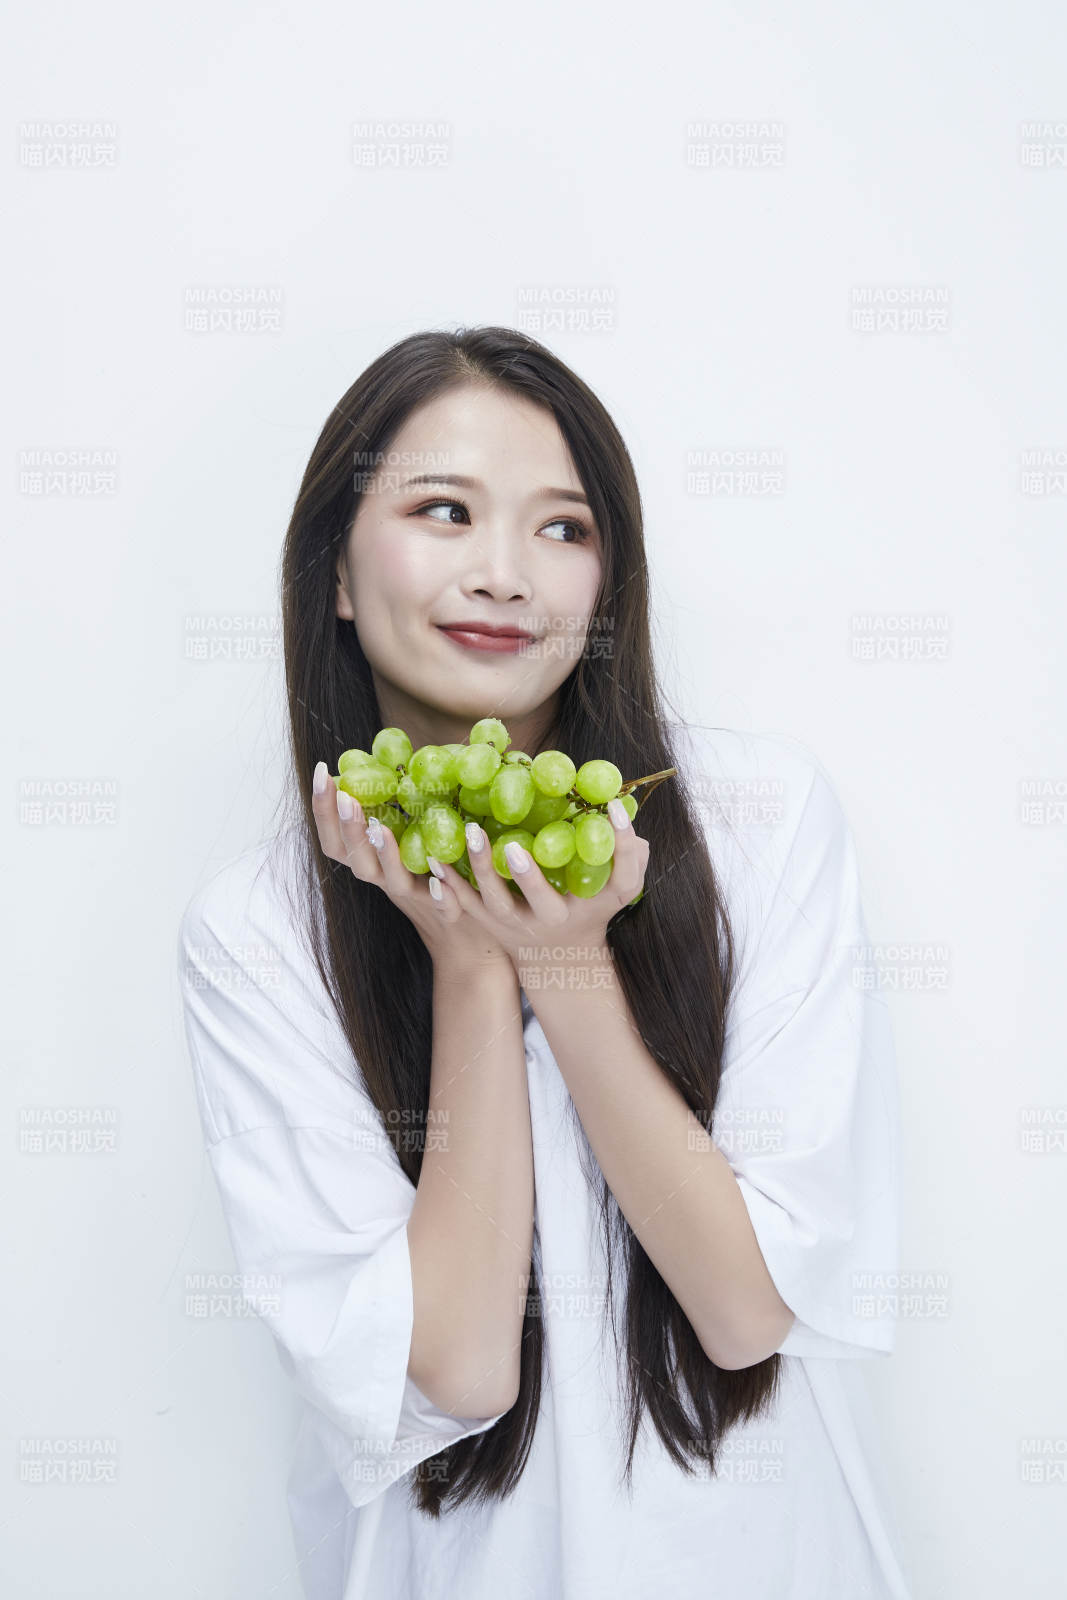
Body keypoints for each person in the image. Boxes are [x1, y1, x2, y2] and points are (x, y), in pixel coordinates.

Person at [177, 325, 914, 1598]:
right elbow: (460, 1367)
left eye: (562, 528)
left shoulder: (758, 816)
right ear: (337, 575)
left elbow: (742, 1314)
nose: (505, 574)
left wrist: (567, 968)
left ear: (607, 583)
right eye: (444, 510)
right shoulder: (254, 933)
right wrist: (470, 967)